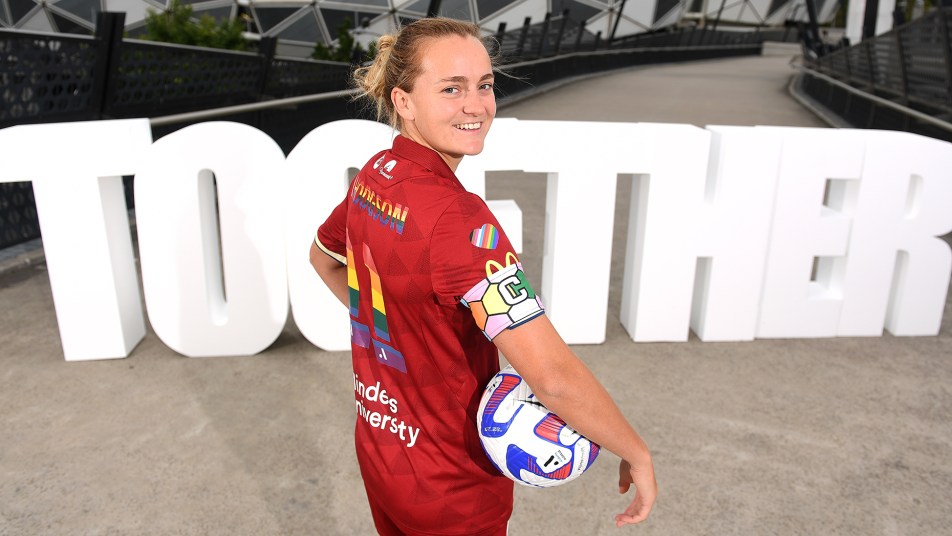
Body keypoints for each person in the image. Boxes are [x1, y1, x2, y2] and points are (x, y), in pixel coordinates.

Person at [309, 17, 657, 536]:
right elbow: (553, 378)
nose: (476, 105)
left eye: (485, 85)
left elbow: (324, 259)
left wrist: (400, 329)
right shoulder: (459, 222)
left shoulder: (375, 175)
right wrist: (635, 450)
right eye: (451, 89)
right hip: (452, 481)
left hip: (383, 454)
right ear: (403, 101)